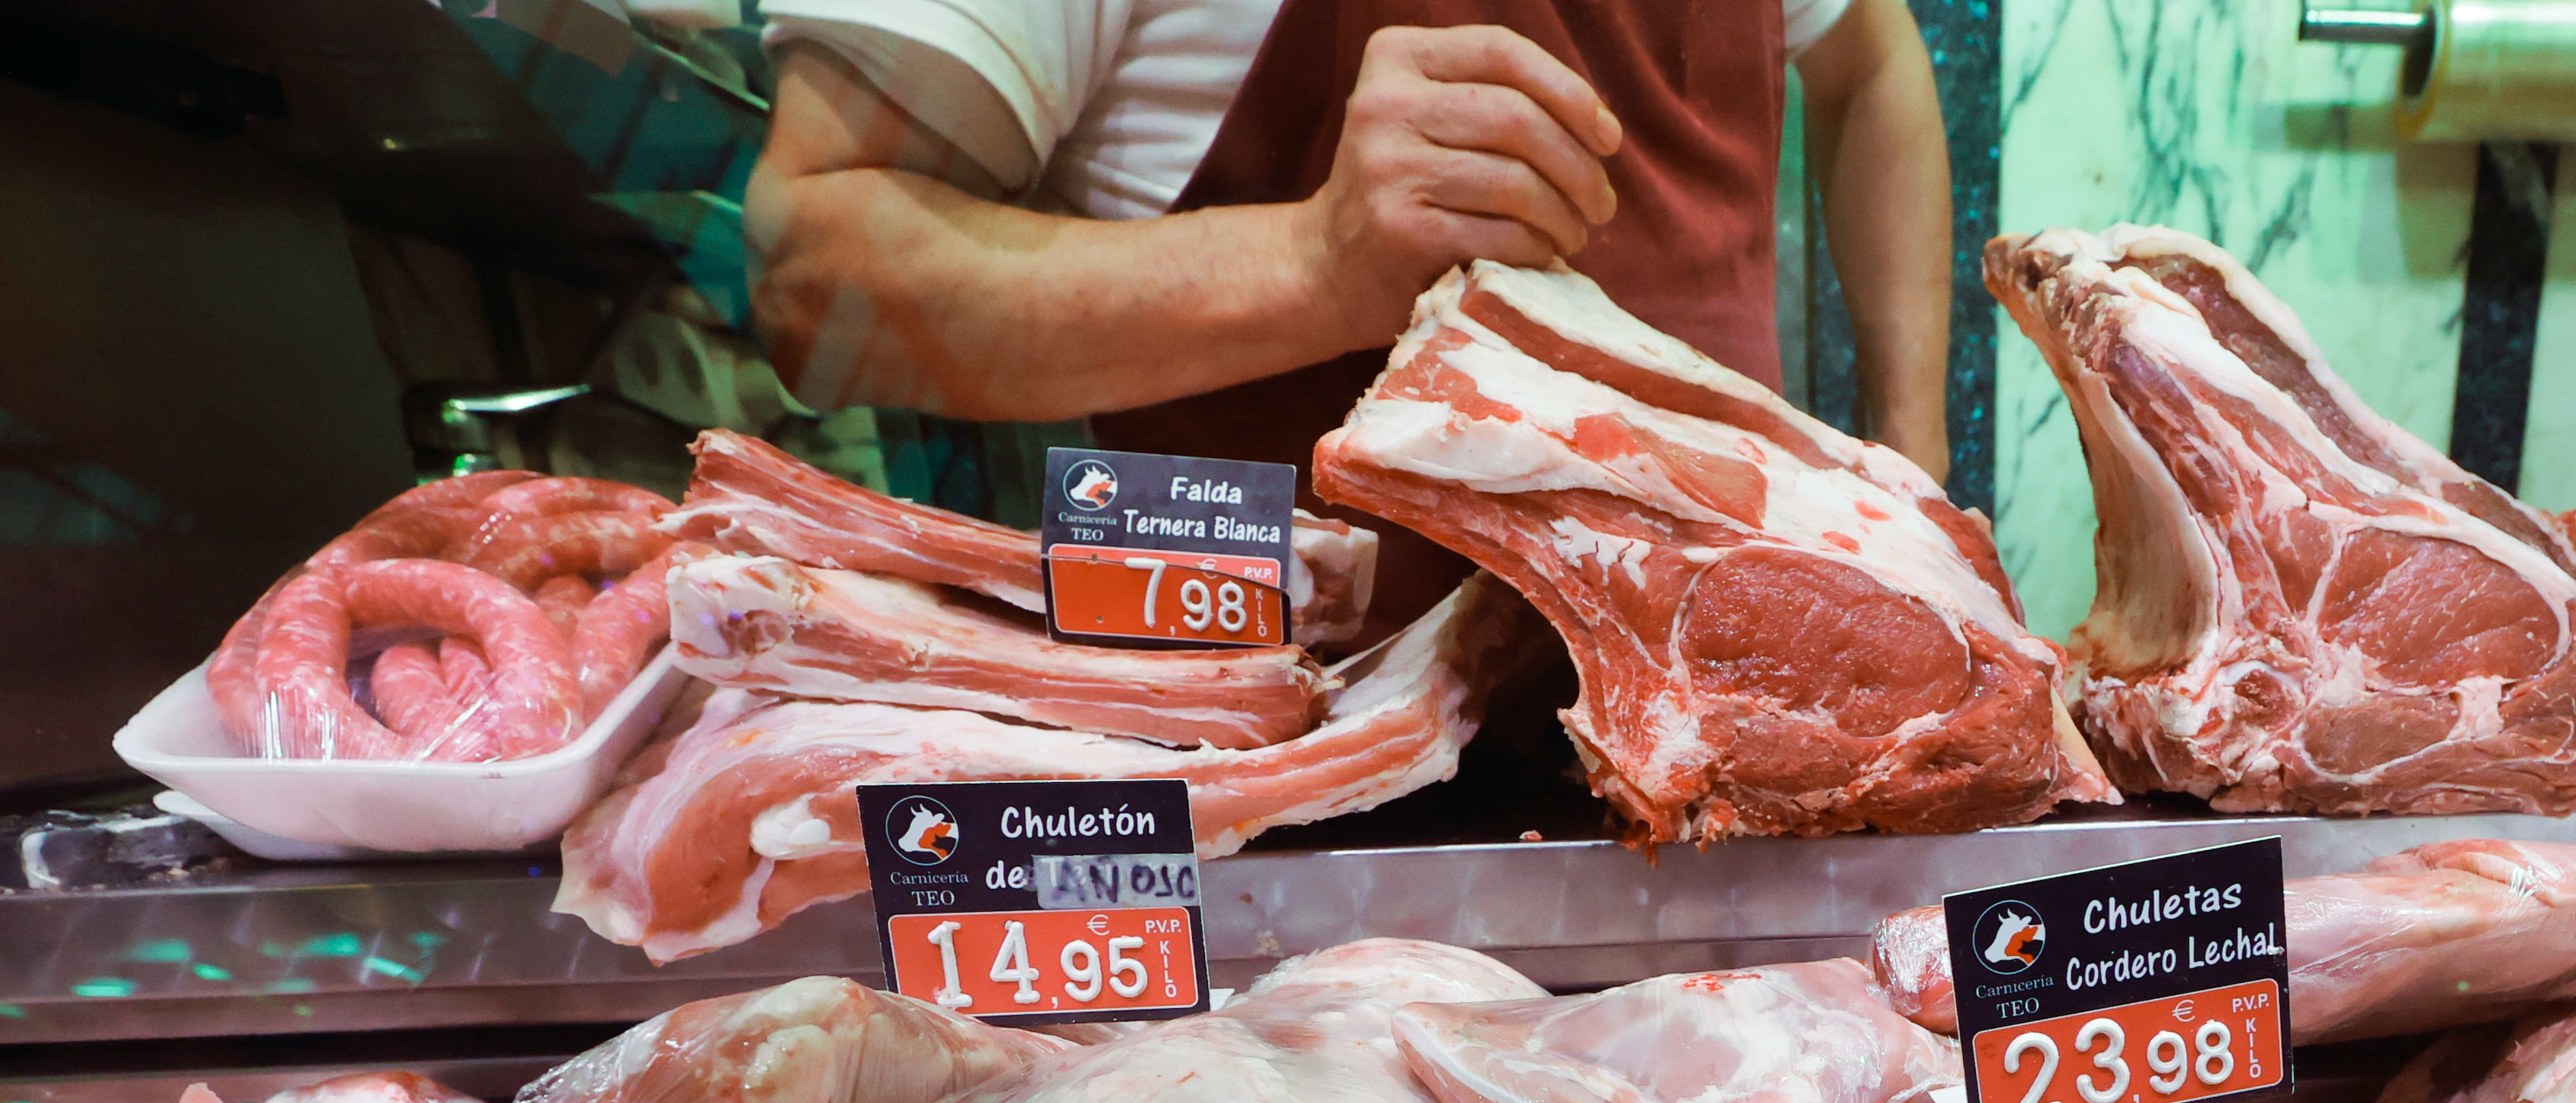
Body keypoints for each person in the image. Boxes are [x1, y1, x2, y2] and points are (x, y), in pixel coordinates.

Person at [746, 0, 1957, 617]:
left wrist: (1913, 469)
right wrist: (1313, 265)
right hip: (1276, 787)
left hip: (1721, 751)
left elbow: (1873, 61)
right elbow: (818, 263)